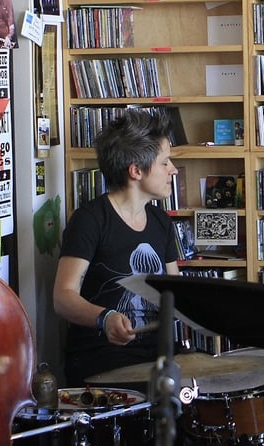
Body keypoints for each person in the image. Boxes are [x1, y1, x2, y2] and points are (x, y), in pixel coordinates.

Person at [53, 109, 182, 387]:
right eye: (165, 163)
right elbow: (63, 297)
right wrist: (105, 318)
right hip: (102, 357)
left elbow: (176, 292)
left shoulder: (160, 221)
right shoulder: (90, 220)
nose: (173, 170)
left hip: (157, 354)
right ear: (136, 170)